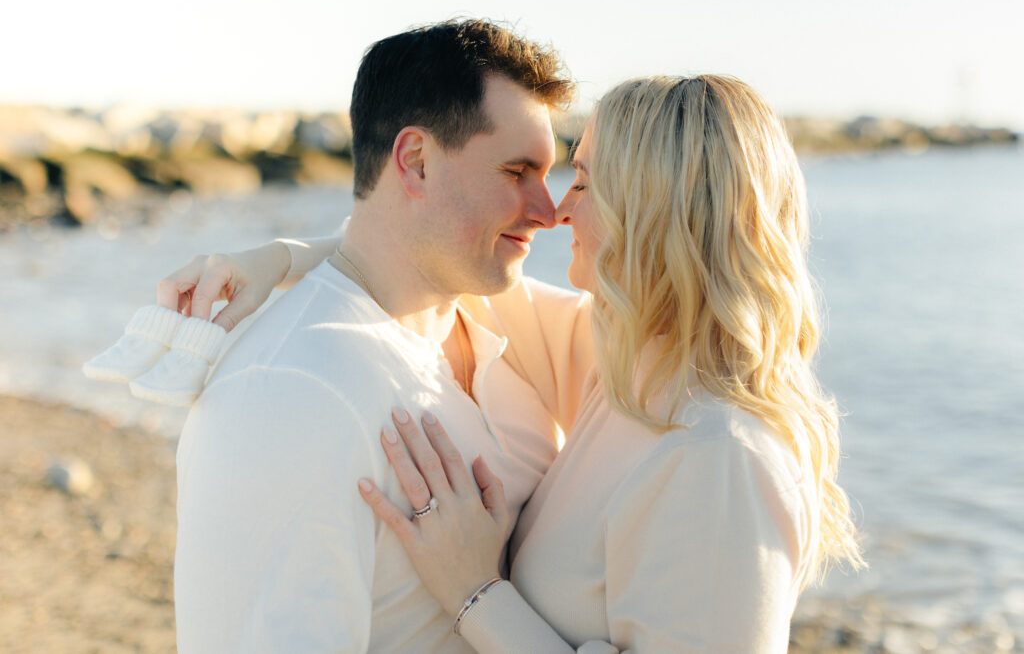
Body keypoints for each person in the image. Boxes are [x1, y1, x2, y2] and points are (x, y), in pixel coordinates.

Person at [178, 75, 864, 650]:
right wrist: (277, 260)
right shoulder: (627, 363)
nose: (556, 211)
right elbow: (419, 256)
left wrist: (476, 592)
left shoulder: (721, 456)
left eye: (586, 184)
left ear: (654, 213)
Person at [171, 18, 583, 653]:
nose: (549, 211)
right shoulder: (288, 392)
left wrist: (282, 255)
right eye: (517, 171)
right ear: (415, 160)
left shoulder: (506, 327)